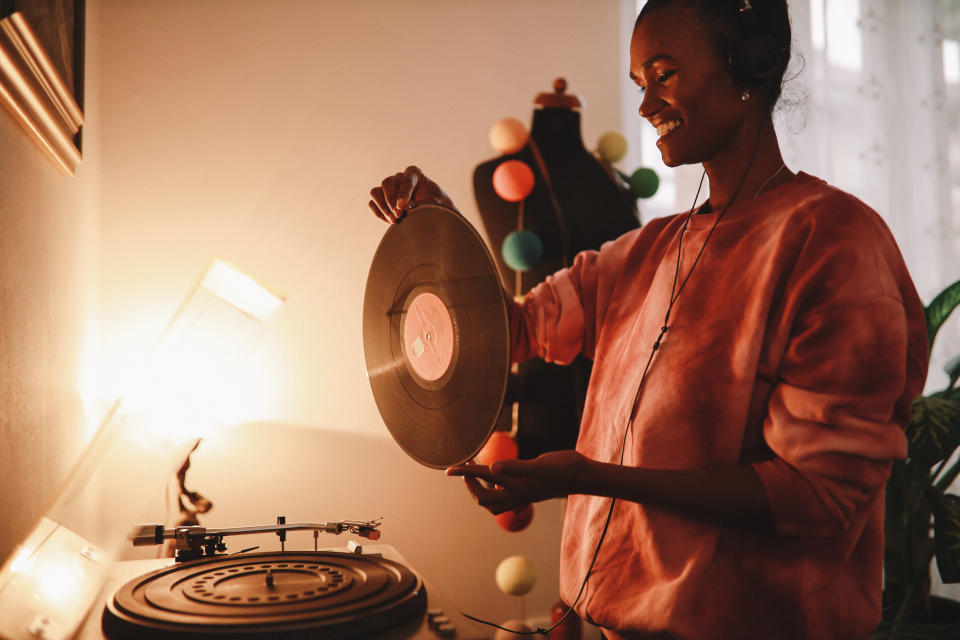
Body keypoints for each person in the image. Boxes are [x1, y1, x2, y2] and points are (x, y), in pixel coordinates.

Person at [368, 1, 928, 638]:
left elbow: (815, 494)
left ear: (749, 66)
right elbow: (512, 331)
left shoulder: (833, 240)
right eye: (640, 83)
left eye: (663, 75)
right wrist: (443, 231)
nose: (645, 106)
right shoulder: (646, 251)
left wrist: (589, 478)